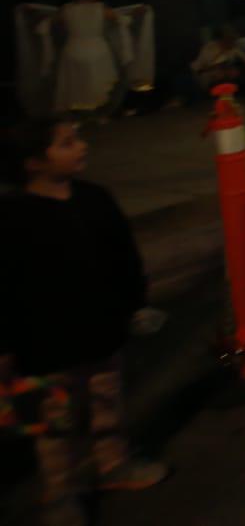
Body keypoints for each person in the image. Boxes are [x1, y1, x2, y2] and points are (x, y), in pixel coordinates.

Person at [1, 120, 169, 525]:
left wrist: (135, 304)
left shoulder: (95, 199)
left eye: (77, 139)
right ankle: (61, 492)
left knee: (106, 405)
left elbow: (125, 257)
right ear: (34, 163)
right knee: (56, 428)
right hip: (46, 347)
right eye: (67, 143)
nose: (81, 147)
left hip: (102, 334)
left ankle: (115, 465)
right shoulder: (12, 219)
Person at [188, 26, 245, 100]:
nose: (232, 42)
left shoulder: (232, 48)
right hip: (205, 75)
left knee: (236, 74)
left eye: (233, 40)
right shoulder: (210, 47)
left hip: (223, 76)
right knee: (224, 75)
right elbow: (207, 66)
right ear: (222, 39)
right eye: (229, 39)